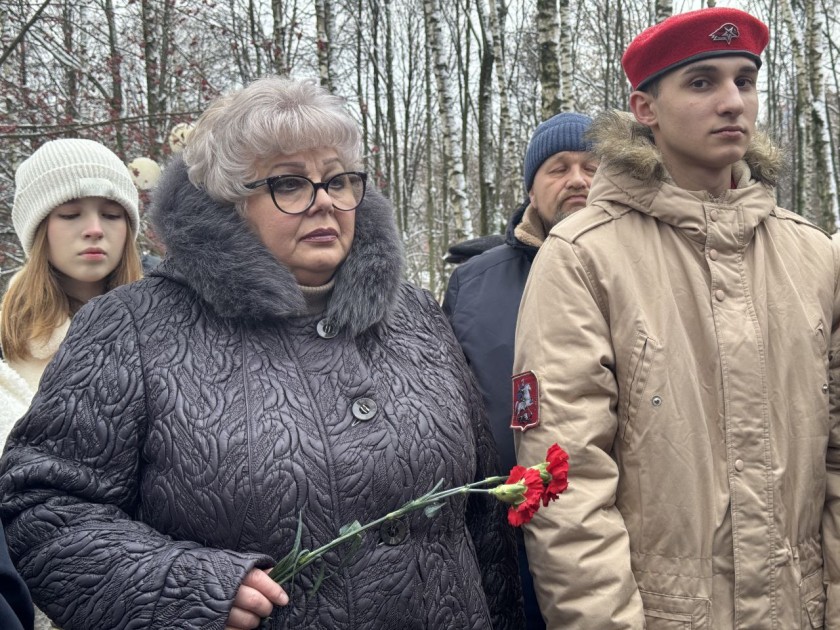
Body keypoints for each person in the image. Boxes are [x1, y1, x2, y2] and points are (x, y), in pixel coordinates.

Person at [0, 76, 523, 630]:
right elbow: (43, 510)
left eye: (339, 180)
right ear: (229, 203)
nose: (324, 201)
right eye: (289, 184)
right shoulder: (130, 327)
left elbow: (483, 514)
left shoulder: (415, 316)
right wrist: (185, 585)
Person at [514, 7, 839, 628]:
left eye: (744, 80)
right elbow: (566, 486)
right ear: (645, 109)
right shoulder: (585, 257)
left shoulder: (813, 254)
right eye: (701, 82)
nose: (732, 102)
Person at [443, 112, 596, 628]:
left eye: (592, 167)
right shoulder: (474, 285)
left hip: (616, 533)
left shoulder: (649, 271)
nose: (578, 179)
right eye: (559, 167)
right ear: (531, 186)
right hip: (510, 534)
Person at [0, 138, 144, 446]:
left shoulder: (169, 327)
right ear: (39, 230)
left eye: (111, 214)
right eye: (70, 213)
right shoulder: (6, 341)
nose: (94, 228)